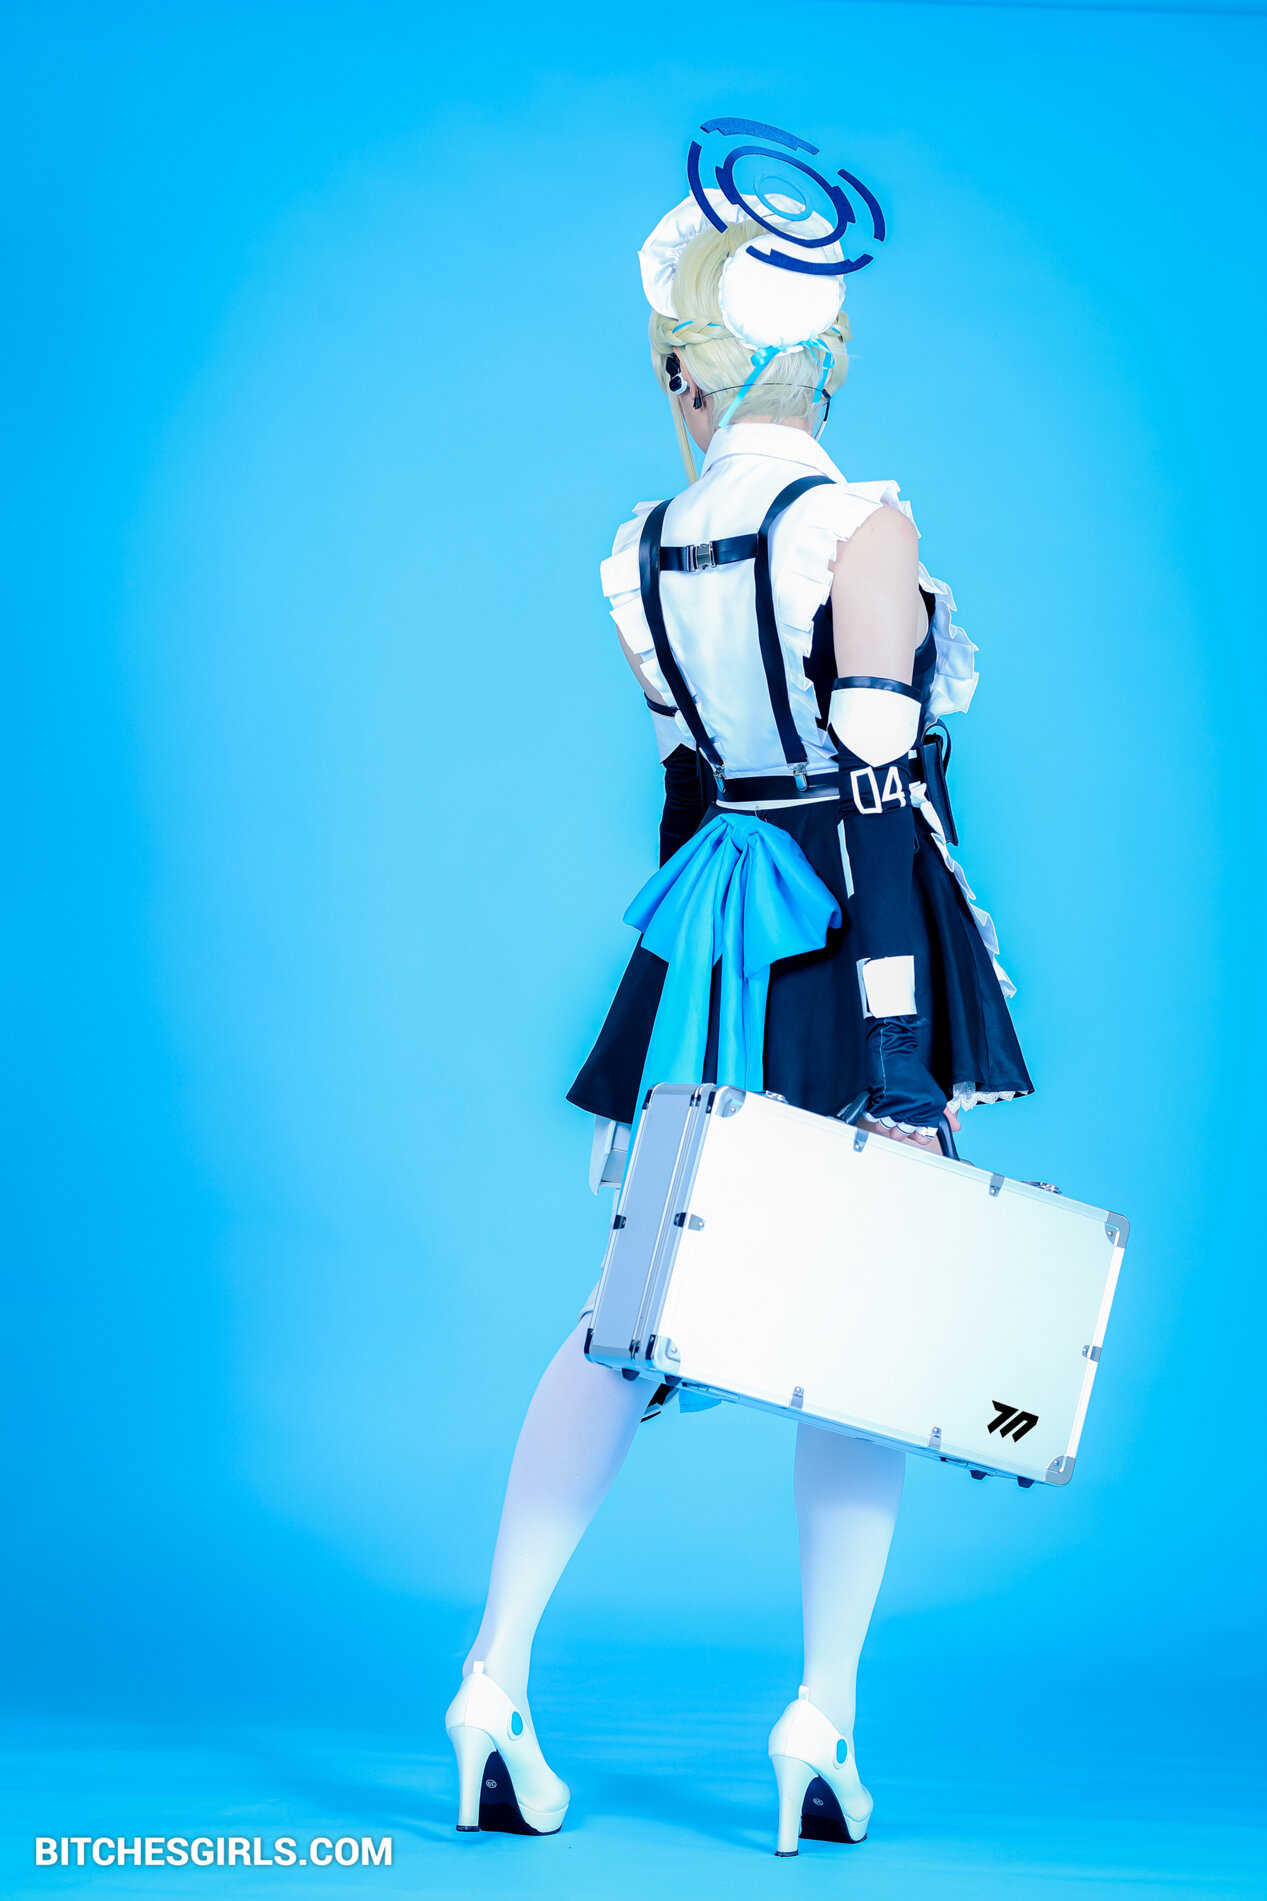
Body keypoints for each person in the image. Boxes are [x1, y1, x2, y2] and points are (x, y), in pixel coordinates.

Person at [445, 153, 1032, 1856]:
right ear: (823, 356)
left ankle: (492, 1677)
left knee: (628, 1307)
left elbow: (691, 789)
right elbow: (876, 787)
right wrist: (902, 1050)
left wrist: (690, 995)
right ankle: (821, 1719)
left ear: (687, 364)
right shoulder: (864, 525)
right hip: (850, 934)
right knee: (866, 1331)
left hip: (713, 926)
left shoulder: (643, 551)